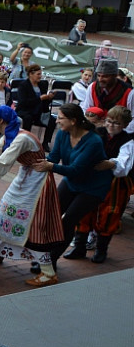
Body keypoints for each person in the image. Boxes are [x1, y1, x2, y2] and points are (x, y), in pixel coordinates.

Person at [0, 105, 64, 284]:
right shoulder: (11, 134)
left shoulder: (21, 138)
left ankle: (48, 272)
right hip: (26, 177)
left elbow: (3, 164)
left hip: (38, 181)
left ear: (2, 121)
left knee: (32, 224)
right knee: (6, 212)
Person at [32, 103, 111, 285]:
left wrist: (51, 166)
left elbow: (76, 170)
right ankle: (47, 256)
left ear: (73, 121)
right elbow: (53, 158)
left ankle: (51, 261)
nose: (57, 121)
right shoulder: (62, 134)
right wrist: (36, 162)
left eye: (60, 118)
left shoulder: (93, 141)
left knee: (68, 221)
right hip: (72, 181)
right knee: (52, 214)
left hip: (93, 187)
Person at [71, 105, 133, 264]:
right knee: (84, 210)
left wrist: (111, 164)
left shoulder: (128, 141)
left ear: (125, 125)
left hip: (113, 182)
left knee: (108, 214)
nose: (111, 125)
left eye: (116, 123)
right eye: (109, 121)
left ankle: (101, 250)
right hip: (92, 177)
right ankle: (79, 247)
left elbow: (123, 166)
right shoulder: (97, 133)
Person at [80, 59, 134, 130]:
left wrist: (112, 128)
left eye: (105, 76)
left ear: (115, 76)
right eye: (99, 76)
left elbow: (133, 119)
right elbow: (86, 108)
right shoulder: (93, 87)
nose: (100, 79)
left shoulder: (129, 92)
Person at [16, 64, 56, 151]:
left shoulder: (42, 85)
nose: (40, 76)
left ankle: (45, 143)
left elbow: (44, 102)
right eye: (38, 74)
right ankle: (25, 142)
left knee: (52, 120)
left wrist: (49, 98)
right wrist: (39, 98)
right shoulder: (23, 85)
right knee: (28, 118)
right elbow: (23, 102)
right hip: (25, 110)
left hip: (38, 111)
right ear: (31, 74)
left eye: (40, 74)